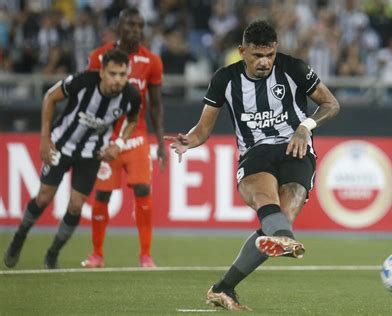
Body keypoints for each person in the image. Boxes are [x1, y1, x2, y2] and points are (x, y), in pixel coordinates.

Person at [166, 21, 340, 311]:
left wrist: (305, 127)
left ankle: (223, 288)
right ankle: (284, 239)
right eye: (257, 55)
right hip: (255, 153)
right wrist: (189, 141)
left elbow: (331, 104)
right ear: (242, 51)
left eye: (269, 55)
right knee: (266, 202)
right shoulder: (225, 79)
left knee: (284, 213)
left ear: (276, 50)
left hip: (295, 148)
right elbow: (203, 129)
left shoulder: (294, 68)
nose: (264, 62)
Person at [4, 48, 141, 269]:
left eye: (123, 75)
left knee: (76, 206)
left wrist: (120, 143)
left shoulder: (131, 96)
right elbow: (50, 97)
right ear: (102, 72)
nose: (118, 80)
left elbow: (133, 119)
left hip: (91, 153)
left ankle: (52, 253)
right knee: (43, 198)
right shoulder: (83, 82)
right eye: (113, 74)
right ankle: (19, 237)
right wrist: (44, 137)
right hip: (61, 145)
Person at [80, 8, 167, 269]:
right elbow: (87, 99)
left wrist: (161, 142)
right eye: (130, 25)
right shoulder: (99, 57)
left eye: (140, 26)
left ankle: (145, 255)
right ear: (119, 27)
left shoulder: (152, 61)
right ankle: (97, 254)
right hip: (106, 137)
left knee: (143, 190)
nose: (136, 31)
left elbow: (155, 105)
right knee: (103, 195)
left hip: (137, 136)